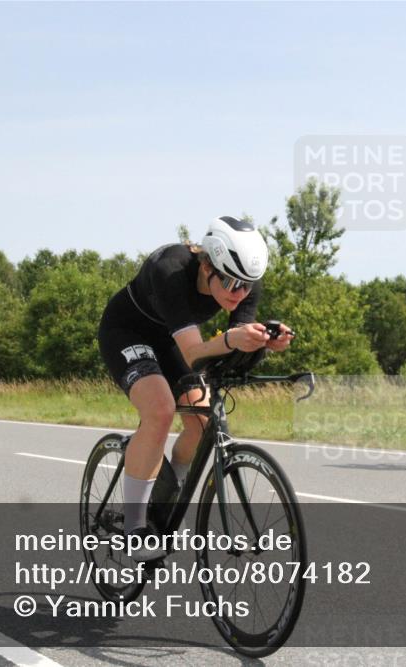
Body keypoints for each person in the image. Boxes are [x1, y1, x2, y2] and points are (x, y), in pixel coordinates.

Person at [97, 216, 292, 561]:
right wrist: (233, 338)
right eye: (231, 282)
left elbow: (230, 349)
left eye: (247, 285)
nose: (239, 293)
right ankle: (135, 527)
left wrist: (261, 342)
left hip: (172, 339)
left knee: (203, 422)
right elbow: (194, 352)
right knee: (159, 411)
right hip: (127, 333)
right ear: (206, 265)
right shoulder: (170, 269)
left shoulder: (244, 284)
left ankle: (168, 498)